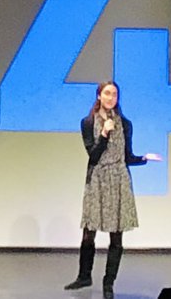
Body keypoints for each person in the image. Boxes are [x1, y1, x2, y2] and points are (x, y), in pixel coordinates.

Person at [64, 81, 160, 299]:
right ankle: (84, 276)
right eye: (107, 93)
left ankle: (109, 283)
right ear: (99, 96)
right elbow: (93, 155)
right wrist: (105, 133)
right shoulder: (88, 122)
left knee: (116, 237)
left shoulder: (125, 124)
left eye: (114, 94)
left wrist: (144, 158)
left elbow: (127, 156)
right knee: (89, 232)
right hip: (97, 179)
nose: (111, 98)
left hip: (119, 180)